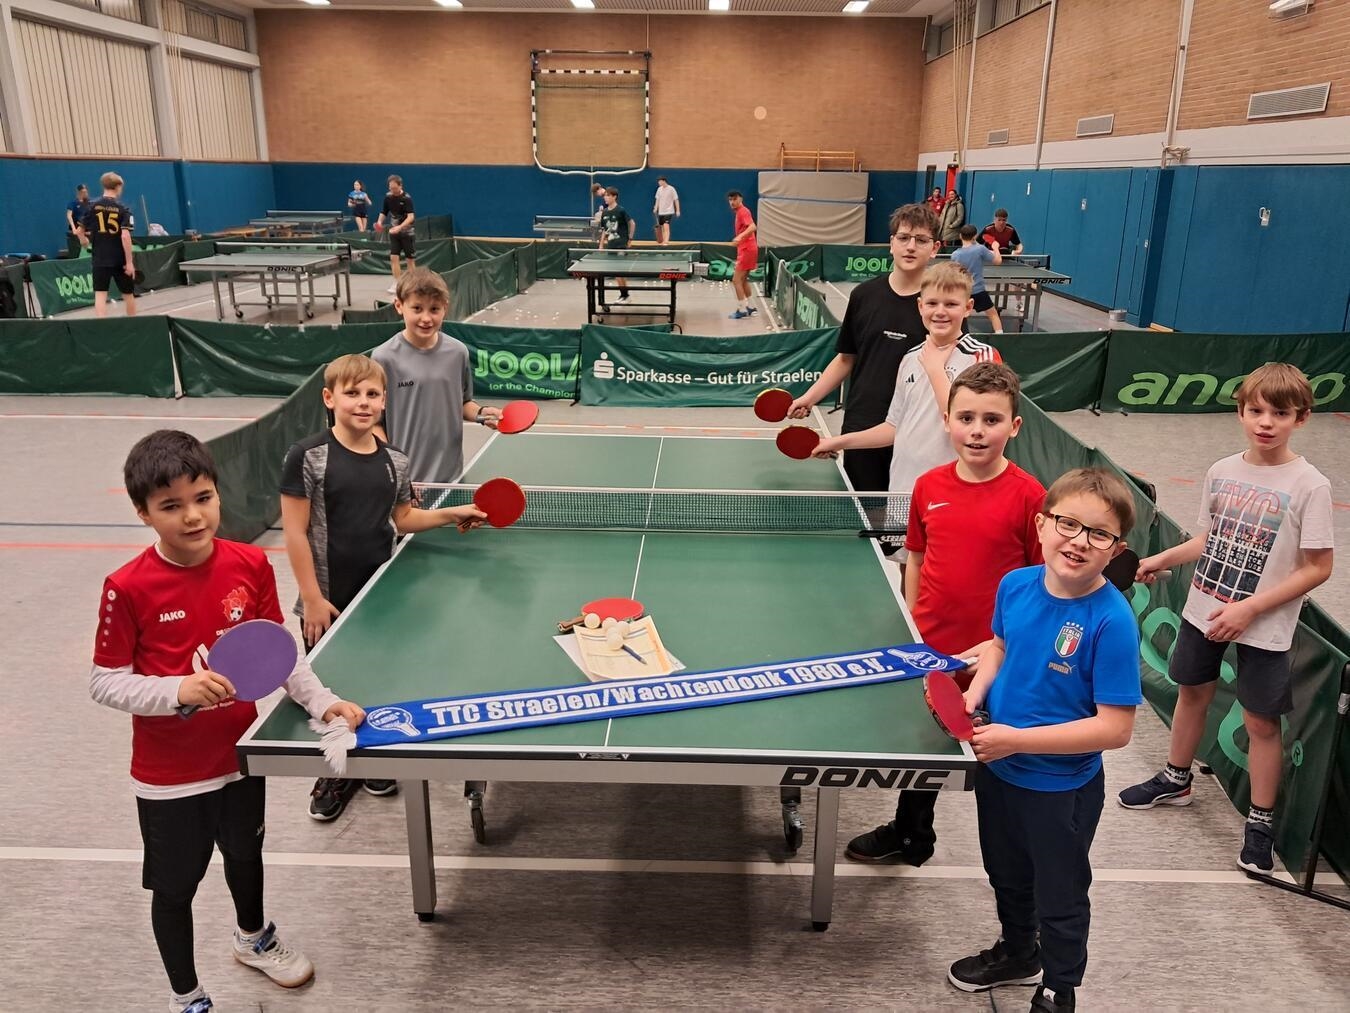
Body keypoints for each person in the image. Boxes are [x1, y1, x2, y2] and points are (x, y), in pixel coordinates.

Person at [89, 429, 366, 1013]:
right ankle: (185, 995)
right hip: (169, 775)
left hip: (239, 756)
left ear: (218, 494)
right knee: (175, 886)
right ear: (143, 512)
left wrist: (324, 703)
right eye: (171, 506)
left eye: (204, 497)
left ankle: (253, 939)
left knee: (246, 854)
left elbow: (279, 655)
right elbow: (105, 681)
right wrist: (176, 690)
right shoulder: (127, 588)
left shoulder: (249, 565)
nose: (193, 516)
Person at [1118, 363, 1334, 875]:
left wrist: (1252, 608)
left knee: (1261, 721)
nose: (1265, 422)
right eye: (1255, 410)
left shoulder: (1310, 485)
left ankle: (1260, 822)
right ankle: (1176, 779)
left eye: (1279, 413)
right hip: (1203, 608)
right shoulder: (1221, 471)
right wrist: (1157, 561)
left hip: (1265, 624)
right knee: (1192, 693)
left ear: (1300, 419)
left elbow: (1319, 568)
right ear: (1240, 411)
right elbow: (1206, 540)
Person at [948, 467, 1141, 1012]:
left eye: (1098, 534)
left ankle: (1059, 987)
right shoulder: (1015, 584)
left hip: (1061, 788)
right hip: (999, 766)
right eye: (1068, 523)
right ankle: (1017, 950)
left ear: (1115, 550)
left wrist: (1018, 740)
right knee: (1004, 871)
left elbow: (1116, 729)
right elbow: (1000, 647)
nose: (1078, 541)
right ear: (1041, 524)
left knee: (1060, 894)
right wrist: (975, 693)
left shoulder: (1112, 622)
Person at [845, 361, 1044, 866]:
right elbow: (916, 554)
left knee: (998, 759)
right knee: (927, 748)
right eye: (967, 418)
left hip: (995, 655)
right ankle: (912, 833)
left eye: (992, 420)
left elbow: (1042, 584)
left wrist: (1009, 648)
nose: (977, 431)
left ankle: (1013, 856)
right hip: (933, 645)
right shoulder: (929, 485)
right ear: (947, 420)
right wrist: (910, 621)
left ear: (1014, 426)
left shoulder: (1030, 497)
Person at [281, 354, 487, 822]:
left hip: (379, 590)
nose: (363, 402)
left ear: (384, 401)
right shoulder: (308, 456)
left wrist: (453, 513)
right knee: (330, 687)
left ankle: (373, 757)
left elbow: (402, 519)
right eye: (352, 393)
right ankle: (336, 771)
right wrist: (312, 598)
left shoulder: (395, 460)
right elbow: (294, 531)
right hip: (327, 596)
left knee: (376, 676)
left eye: (372, 394)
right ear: (329, 399)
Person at [812, 261, 1002, 554]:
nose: (940, 311)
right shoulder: (910, 359)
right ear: (920, 306)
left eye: (951, 303)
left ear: (968, 307)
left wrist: (937, 369)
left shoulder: (983, 357)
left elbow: (964, 423)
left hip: (955, 493)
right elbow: (894, 428)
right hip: (905, 489)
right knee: (906, 576)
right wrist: (838, 441)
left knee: (942, 580)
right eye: (933, 303)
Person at [788, 203, 940, 500]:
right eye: (904, 238)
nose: (911, 246)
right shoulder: (864, 296)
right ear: (891, 244)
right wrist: (809, 397)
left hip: (916, 429)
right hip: (862, 422)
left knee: (907, 520)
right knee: (865, 516)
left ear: (934, 248)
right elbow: (846, 357)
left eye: (921, 240)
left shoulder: (939, 306)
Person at [76, 172, 138, 319]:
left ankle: (102, 328)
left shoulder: (92, 206)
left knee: (100, 294)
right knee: (128, 294)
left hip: (100, 258)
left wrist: (84, 242)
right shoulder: (123, 209)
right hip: (119, 259)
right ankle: (134, 325)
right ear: (117, 187)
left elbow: (79, 231)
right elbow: (125, 236)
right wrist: (129, 263)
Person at [951, 223, 1004, 333]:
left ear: (960, 236)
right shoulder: (980, 249)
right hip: (978, 291)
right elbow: (998, 261)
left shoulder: (955, 255)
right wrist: (995, 248)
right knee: (994, 315)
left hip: (963, 292)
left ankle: (959, 338)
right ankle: (1000, 337)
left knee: (960, 317)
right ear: (975, 236)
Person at [374, 174, 415, 294]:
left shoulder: (407, 198)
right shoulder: (388, 197)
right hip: (394, 233)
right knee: (393, 258)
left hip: (407, 233)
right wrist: (379, 222)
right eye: (390, 188)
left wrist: (400, 227)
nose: (392, 191)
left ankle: (413, 284)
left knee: (410, 260)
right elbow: (384, 212)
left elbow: (411, 217)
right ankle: (397, 282)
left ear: (400, 186)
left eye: (394, 188)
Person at [597, 186, 635, 312]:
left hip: (621, 244)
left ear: (614, 197)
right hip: (611, 245)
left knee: (619, 271)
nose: (606, 198)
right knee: (618, 273)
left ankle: (624, 295)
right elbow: (604, 230)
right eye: (605, 196)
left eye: (608, 195)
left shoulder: (621, 210)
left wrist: (630, 239)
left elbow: (632, 223)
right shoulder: (605, 212)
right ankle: (625, 295)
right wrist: (601, 244)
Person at [726, 190, 758, 319]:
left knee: (736, 280)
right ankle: (750, 307)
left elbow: (752, 227)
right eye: (730, 200)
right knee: (743, 280)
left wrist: (739, 237)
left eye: (734, 199)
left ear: (740, 199)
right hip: (749, 248)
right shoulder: (739, 212)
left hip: (747, 249)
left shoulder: (743, 211)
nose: (732, 202)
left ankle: (742, 309)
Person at [652, 176, 680, 244]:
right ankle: (663, 240)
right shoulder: (659, 189)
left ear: (664, 181)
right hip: (661, 212)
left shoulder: (671, 189)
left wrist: (678, 210)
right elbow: (657, 199)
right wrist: (656, 207)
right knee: (662, 227)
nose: (658, 183)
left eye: (660, 181)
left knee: (666, 225)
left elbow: (676, 200)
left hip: (669, 211)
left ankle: (666, 240)